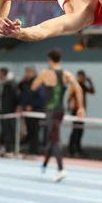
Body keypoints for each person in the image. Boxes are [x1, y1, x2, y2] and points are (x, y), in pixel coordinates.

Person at [32, 49, 83, 182]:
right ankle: (44, 164)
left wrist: (43, 81)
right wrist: (81, 107)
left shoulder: (45, 73)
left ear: (49, 60)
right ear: (59, 59)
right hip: (60, 110)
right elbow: (78, 88)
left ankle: (61, 169)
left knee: (55, 139)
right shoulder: (66, 74)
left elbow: (33, 86)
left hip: (50, 110)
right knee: (52, 137)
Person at [67, 70, 94, 158]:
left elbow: (92, 91)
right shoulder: (75, 85)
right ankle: (71, 149)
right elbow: (69, 97)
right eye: (81, 77)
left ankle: (78, 148)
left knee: (80, 131)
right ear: (78, 77)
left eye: (83, 77)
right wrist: (69, 106)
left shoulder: (83, 86)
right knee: (75, 130)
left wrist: (90, 82)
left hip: (82, 111)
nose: (82, 78)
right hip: (75, 110)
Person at [19, 67, 44, 155]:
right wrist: (23, 105)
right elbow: (24, 96)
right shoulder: (25, 83)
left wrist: (32, 106)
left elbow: (41, 97)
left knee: (35, 131)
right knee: (30, 131)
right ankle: (31, 150)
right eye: (26, 72)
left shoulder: (38, 82)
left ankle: (35, 150)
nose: (27, 74)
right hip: (27, 111)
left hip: (36, 111)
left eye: (29, 72)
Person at [0, 68, 21, 157]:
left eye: (0, 74)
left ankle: (10, 150)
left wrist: (16, 106)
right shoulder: (1, 84)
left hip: (9, 111)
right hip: (2, 110)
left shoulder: (10, 83)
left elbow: (17, 96)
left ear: (3, 74)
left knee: (9, 131)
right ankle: (6, 148)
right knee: (4, 131)